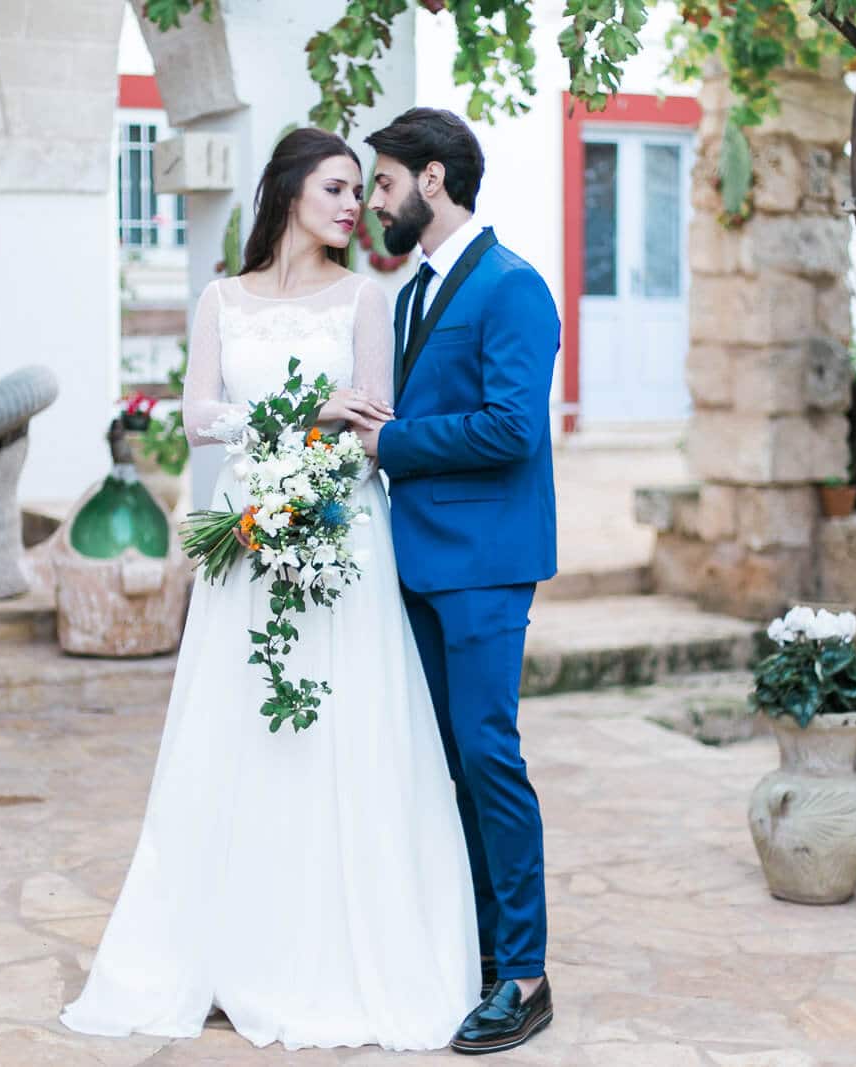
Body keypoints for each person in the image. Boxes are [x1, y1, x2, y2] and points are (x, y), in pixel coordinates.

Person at [58, 127, 479, 1052]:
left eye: (361, 190)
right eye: (335, 186)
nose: (352, 205)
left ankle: (330, 954)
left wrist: (315, 448)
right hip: (244, 546)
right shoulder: (220, 298)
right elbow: (200, 417)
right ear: (290, 190)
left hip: (339, 538)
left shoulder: (366, 299)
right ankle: (228, 948)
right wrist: (298, 415)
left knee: (340, 734)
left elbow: (371, 415)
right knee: (237, 732)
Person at [358, 107, 561, 1056]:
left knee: (489, 760)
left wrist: (391, 441)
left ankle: (525, 975)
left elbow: (513, 429)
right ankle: (481, 951)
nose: (375, 202)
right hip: (419, 559)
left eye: (386, 183)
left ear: (432, 180)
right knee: (448, 769)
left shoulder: (514, 287)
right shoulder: (410, 293)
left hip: (484, 567)